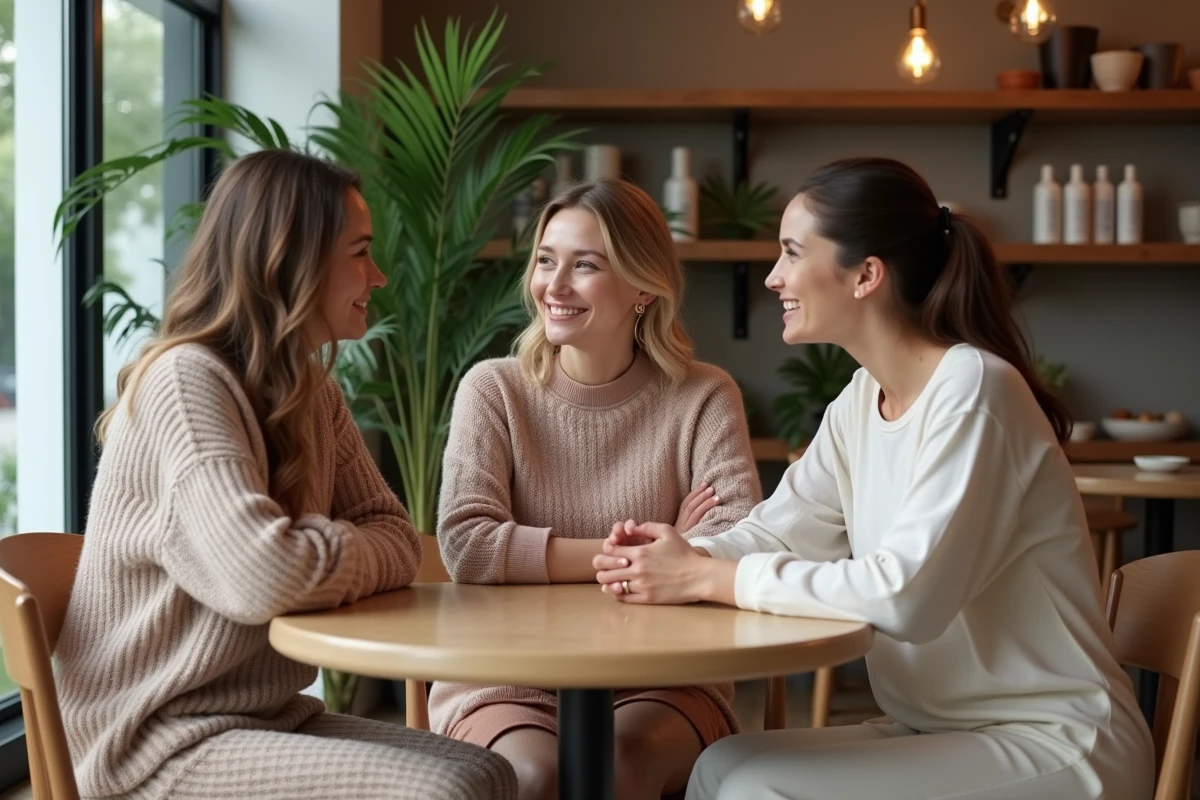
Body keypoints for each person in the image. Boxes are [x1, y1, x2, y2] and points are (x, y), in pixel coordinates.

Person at [593, 157, 1156, 800]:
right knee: (720, 766)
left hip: (1057, 741)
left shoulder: (973, 389)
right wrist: (679, 555)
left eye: (792, 253)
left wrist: (706, 576)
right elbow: (780, 532)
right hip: (939, 729)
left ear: (866, 275)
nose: (774, 278)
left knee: (759, 790)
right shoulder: (863, 399)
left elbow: (905, 597)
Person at [55, 149, 516, 800]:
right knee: (448, 793)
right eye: (360, 251)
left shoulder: (311, 392)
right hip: (155, 743)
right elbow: (264, 576)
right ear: (290, 259)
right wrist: (313, 553)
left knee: (491, 774)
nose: (378, 276)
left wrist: (305, 549)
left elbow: (396, 537)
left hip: (265, 720)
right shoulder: (186, 383)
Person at [432, 178, 762, 800]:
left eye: (585, 265)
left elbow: (738, 542)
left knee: (619, 769)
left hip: (667, 676)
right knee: (533, 776)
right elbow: (469, 546)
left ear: (643, 285)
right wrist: (661, 551)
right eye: (545, 261)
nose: (553, 287)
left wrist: (528, 555)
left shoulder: (704, 396)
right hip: (506, 673)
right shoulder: (494, 390)